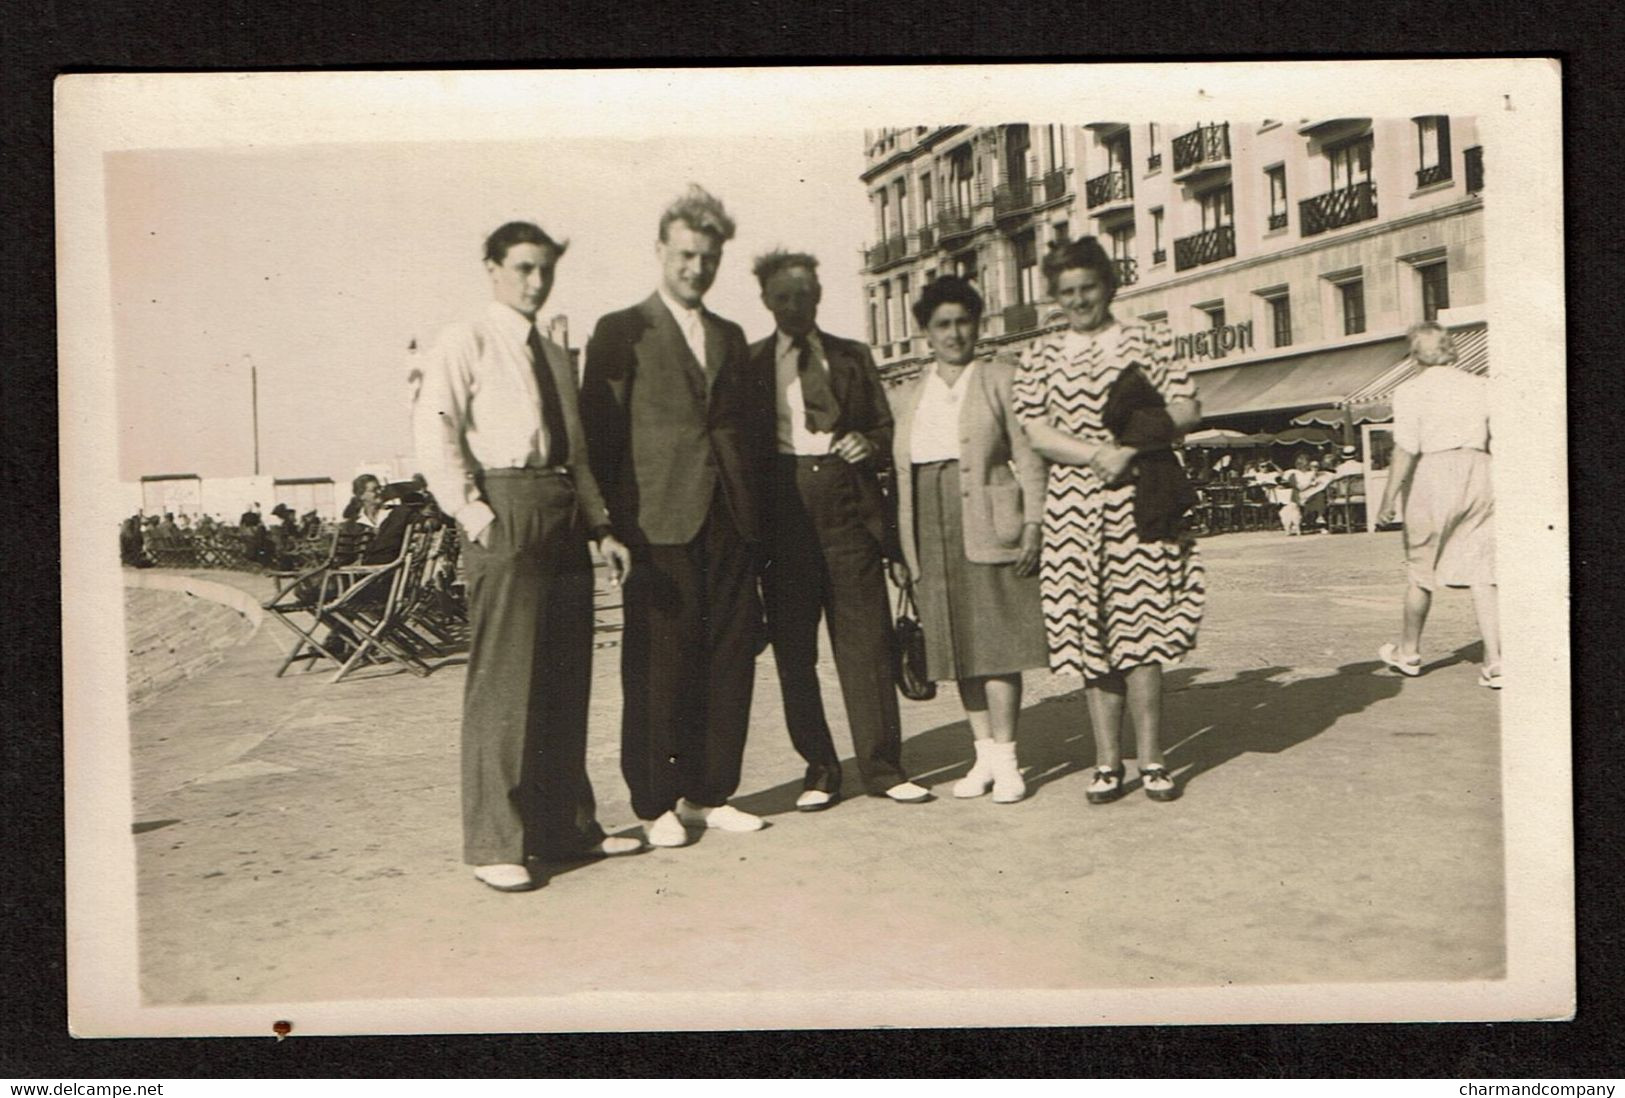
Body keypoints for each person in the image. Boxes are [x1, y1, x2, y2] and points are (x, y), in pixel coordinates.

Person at [413, 219, 641, 893]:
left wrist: (601, 527)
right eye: (522, 268)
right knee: (506, 688)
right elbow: (434, 430)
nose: (535, 282)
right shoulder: (467, 340)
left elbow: (574, 451)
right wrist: (474, 514)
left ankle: (563, 829)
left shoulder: (549, 348)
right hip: (505, 508)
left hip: (563, 507)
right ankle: (493, 841)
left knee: (565, 681)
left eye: (544, 270)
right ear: (491, 268)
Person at [582, 185, 774, 848]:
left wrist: (752, 517)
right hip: (656, 523)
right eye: (686, 254)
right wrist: (609, 524)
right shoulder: (620, 331)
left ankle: (710, 792)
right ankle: (654, 802)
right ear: (660, 251)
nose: (697, 268)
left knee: (727, 660)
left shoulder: (730, 334)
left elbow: (744, 430)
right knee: (658, 667)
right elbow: (597, 434)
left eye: (709, 257)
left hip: (728, 519)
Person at [1013, 238, 1204, 804]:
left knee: (1142, 631)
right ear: (1055, 296)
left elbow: (1188, 407)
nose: (1078, 300)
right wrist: (1095, 455)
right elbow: (1035, 431)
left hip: (1140, 498)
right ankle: (1106, 763)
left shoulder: (1147, 338)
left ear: (1108, 287)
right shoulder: (1040, 356)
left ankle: (1152, 760)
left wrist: (1130, 447)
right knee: (1089, 635)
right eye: (1067, 292)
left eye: (1088, 288)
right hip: (1072, 506)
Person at [750, 249, 929, 811]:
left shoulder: (852, 356)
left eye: (804, 294)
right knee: (795, 653)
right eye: (783, 296)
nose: (794, 305)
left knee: (868, 644)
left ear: (820, 296)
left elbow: (883, 424)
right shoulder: (750, 365)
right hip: (785, 517)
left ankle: (882, 767)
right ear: (766, 301)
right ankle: (820, 770)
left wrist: (867, 443)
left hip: (849, 510)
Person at [891, 276, 1047, 805]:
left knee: (997, 645)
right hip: (930, 526)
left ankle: (1007, 760)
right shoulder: (910, 393)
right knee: (958, 647)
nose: (954, 334)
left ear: (977, 326)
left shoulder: (1002, 377)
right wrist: (902, 546)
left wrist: (1034, 522)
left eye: (963, 322)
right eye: (942, 325)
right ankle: (982, 755)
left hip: (988, 519)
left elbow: (1028, 455)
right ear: (926, 334)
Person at [1374, 322, 1500, 688]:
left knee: (1420, 569)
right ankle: (1495, 661)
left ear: (1415, 356)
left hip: (1433, 471)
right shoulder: (1481, 384)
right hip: (1479, 469)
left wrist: (1387, 499)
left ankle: (1409, 652)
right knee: (1483, 571)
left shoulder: (1410, 390)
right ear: (1452, 350)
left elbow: (1406, 448)